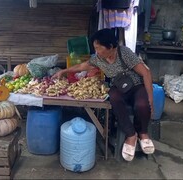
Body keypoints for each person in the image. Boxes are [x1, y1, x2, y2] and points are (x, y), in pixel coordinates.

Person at [52, 28, 155, 161]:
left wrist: (150, 99)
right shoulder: (99, 59)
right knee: (114, 98)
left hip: (136, 85)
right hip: (118, 87)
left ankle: (143, 133)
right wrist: (64, 71)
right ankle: (131, 135)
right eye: (95, 48)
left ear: (110, 46)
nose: (96, 52)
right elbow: (82, 66)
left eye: (98, 48)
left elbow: (146, 73)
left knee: (142, 105)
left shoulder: (124, 53)